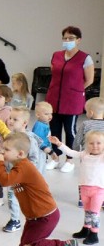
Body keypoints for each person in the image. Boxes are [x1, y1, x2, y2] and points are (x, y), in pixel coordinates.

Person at [0, 132, 80, 246]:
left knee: (30, 244)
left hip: (45, 216)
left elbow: (5, 181)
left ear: (20, 153)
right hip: (34, 217)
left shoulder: (24, 167)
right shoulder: (17, 164)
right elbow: (7, 174)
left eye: (6, 150)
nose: (1, 152)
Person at [46, 26, 94, 174]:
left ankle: (69, 159)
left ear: (78, 40)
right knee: (54, 129)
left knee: (70, 131)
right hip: (54, 98)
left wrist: (75, 90)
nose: (67, 41)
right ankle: (55, 157)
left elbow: (89, 80)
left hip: (72, 101)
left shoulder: (85, 58)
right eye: (65, 38)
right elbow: (54, 74)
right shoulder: (56, 55)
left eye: (71, 38)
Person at [0, 107, 47, 234]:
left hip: (27, 176)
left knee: (29, 198)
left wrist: (27, 173)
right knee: (12, 196)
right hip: (13, 175)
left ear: (24, 123)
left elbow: (35, 158)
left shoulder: (29, 139)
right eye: (10, 118)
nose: (11, 121)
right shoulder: (10, 136)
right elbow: (5, 151)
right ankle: (15, 220)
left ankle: (36, 219)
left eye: (15, 119)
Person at [50, 130, 104, 246]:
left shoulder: (102, 157)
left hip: (98, 191)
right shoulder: (84, 154)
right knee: (87, 211)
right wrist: (59, 144)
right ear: (86, 144)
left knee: (94, 213)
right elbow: (71, 152)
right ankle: (86, 229)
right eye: (91, 143)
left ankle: (94, 234)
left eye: (98, 143)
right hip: (84, 189)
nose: (95, 146)